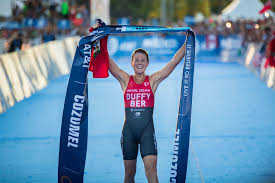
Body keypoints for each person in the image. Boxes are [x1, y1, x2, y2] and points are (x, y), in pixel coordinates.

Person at [93, 22, 187, 183]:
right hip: (128, 133)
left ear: (147, 63)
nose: (139, 62)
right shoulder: (124, 79)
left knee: (151, 172)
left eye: (143, 60)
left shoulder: (153, 80)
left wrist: (187, 42)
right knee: (129, 175)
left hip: (147, 133)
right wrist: (99, 37)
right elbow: (106, 59)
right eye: (136, 60)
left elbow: (173, 62)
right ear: (132, 63)